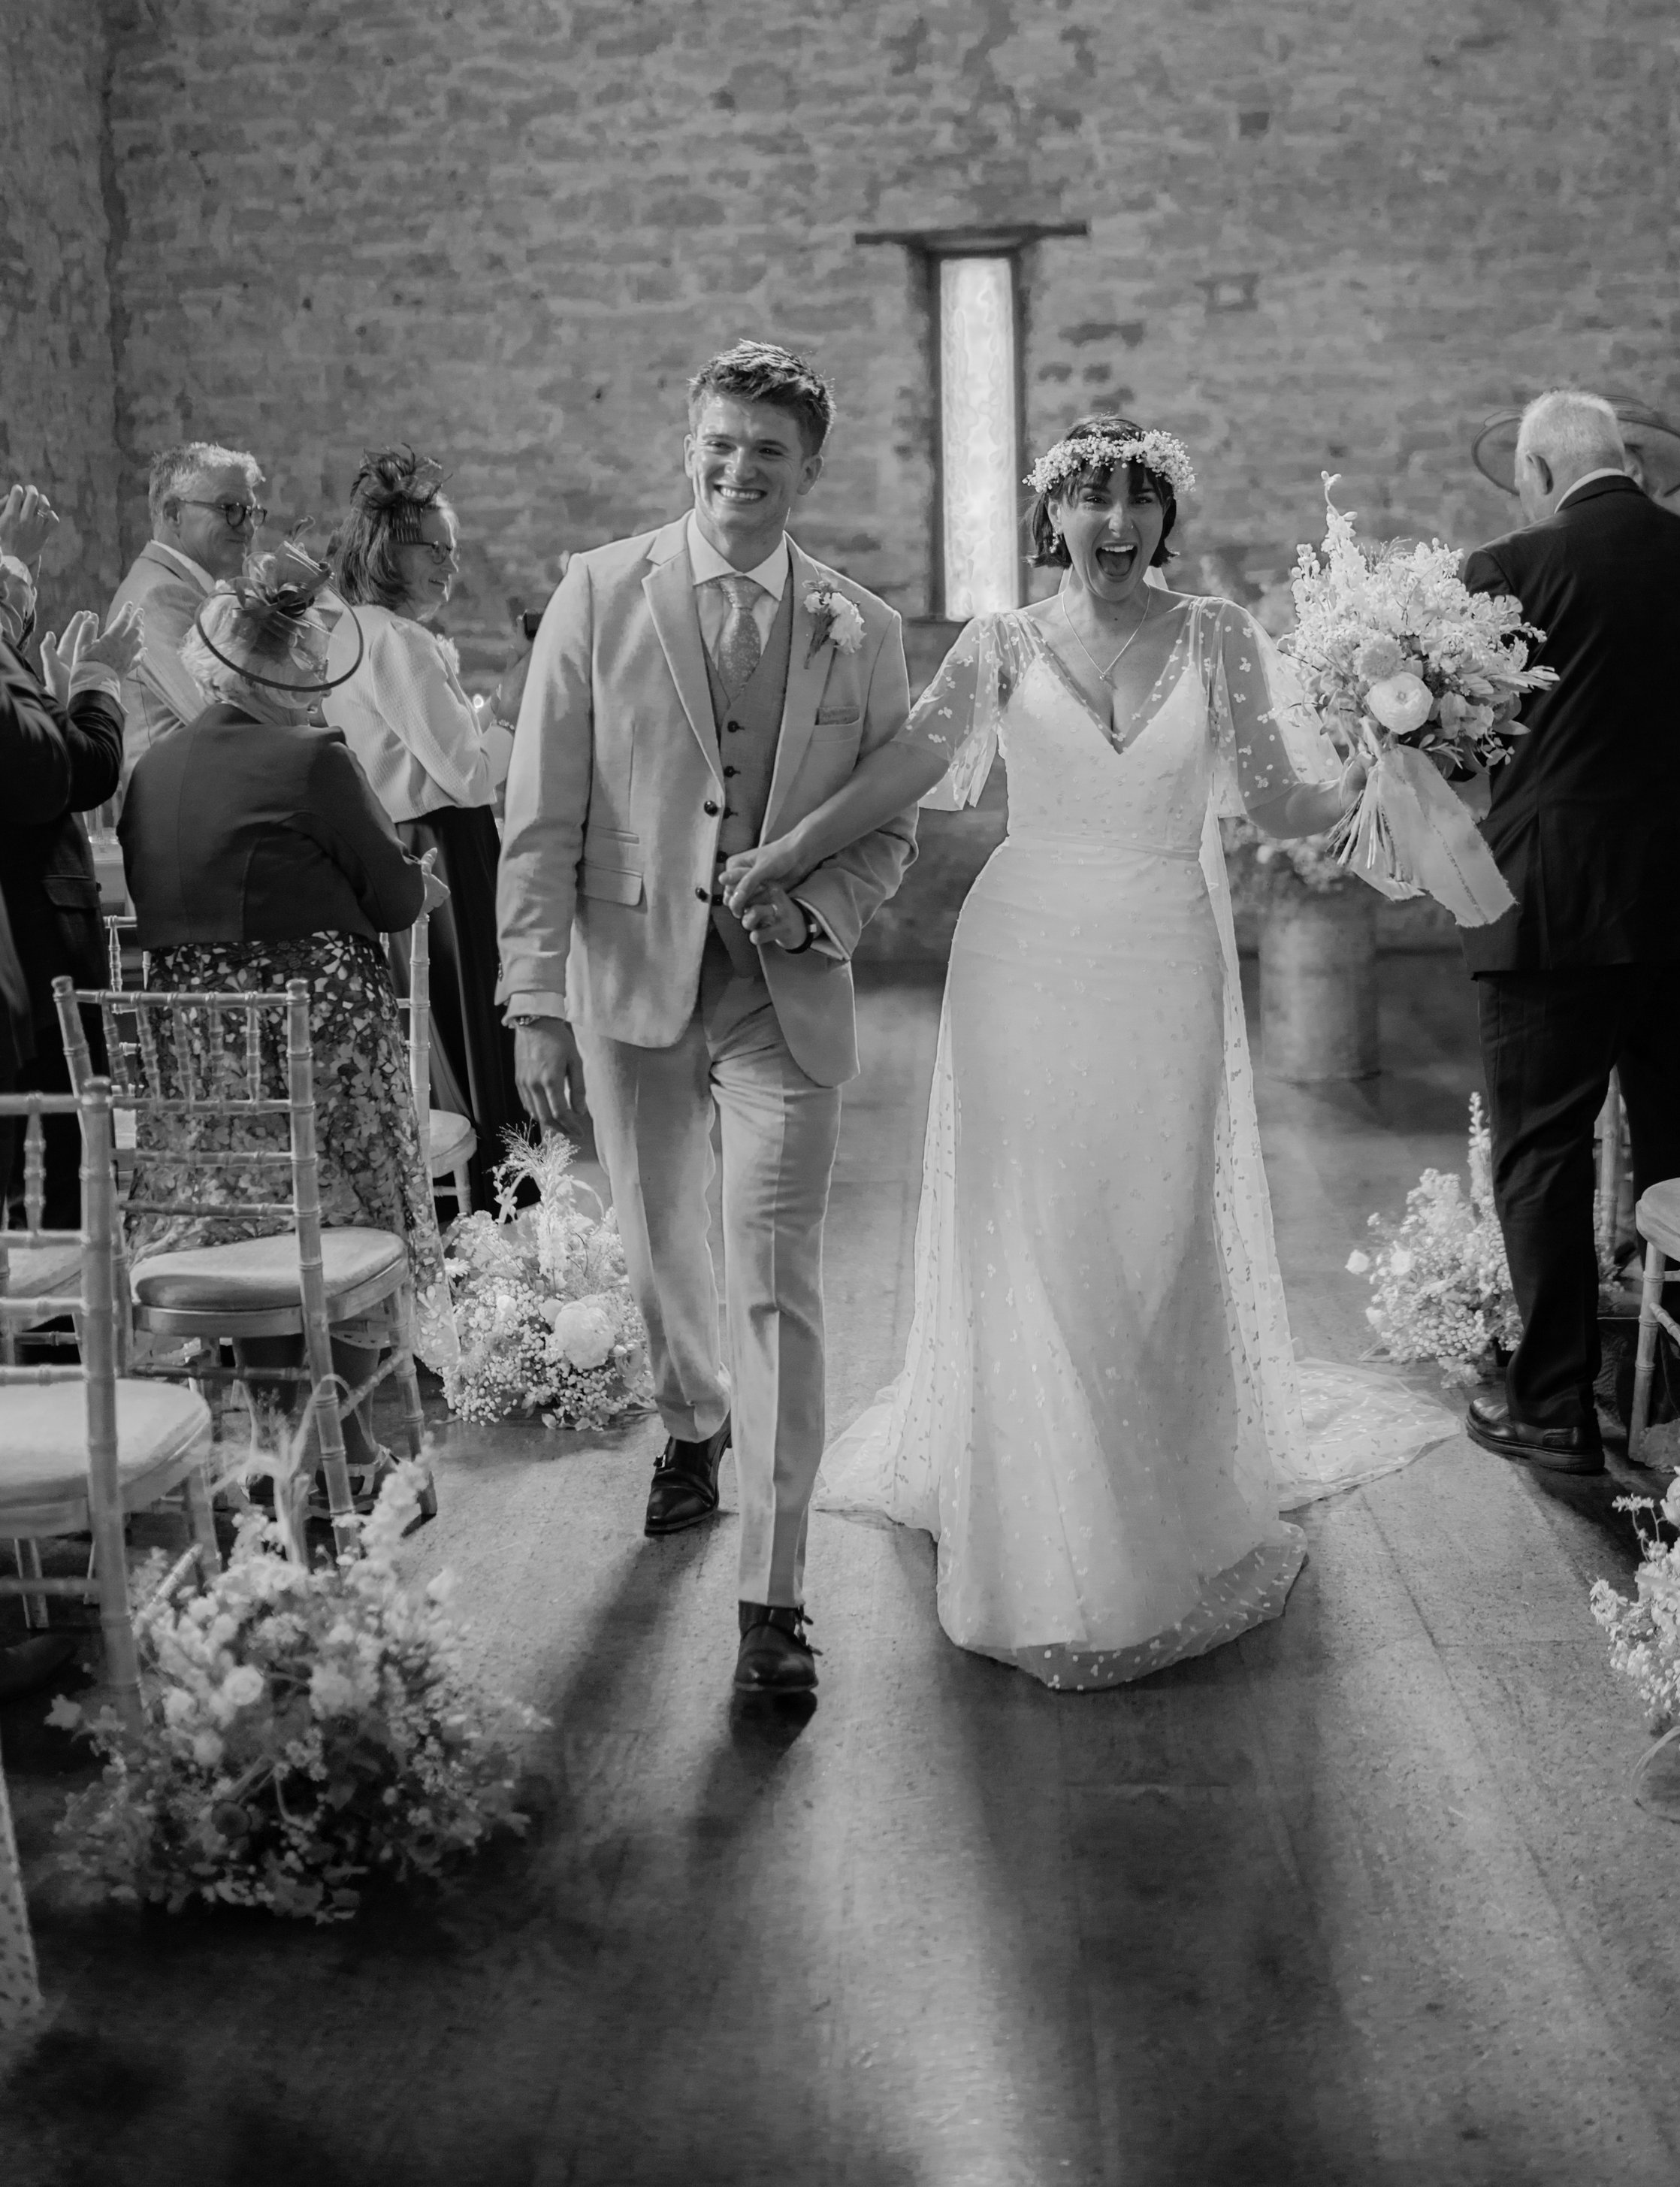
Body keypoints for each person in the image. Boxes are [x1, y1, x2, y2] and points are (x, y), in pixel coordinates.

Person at [721, 415, 1452, 1692]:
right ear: (1052, 515)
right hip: (1021, 959)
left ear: (1167, 517)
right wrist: (789, 850)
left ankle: (1153, 1488)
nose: (1115, 524)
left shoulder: (1219, 635)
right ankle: (1041, 1514)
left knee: (1156, 1224)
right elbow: (907, 766)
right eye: (1091, 500)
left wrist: (1389, 761)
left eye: (1138, 500)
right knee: (1038, 1227)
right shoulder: (999, 643)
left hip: (1165, 956)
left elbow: (1277, 798)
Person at [497, 341, 918, 1703]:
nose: (740, 469)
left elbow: (889, 821)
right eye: (721, 444)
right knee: (660, 1240)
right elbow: (540, 814)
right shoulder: (599, 589)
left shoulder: (862, 624)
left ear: (810, 470)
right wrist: (535, 999)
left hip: (781, 992)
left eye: (768, 451)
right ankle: (692, 1419)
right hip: (629, 979)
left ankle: (774, 1599)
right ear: (692, 448)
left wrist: (822, 909)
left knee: (775, 1276)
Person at [1456, 391, 1680, 1475]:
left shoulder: (1510, 566)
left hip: (1555, 900)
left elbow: (1470, 744)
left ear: (1540, 473)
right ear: (1623, 461)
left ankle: (1552, 1404)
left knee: (1543, 1146)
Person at [119, 560, 456, 1488]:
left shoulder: (152, 771)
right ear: (284, 674)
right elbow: (395, 900)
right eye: (307, 667)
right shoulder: (315, 761)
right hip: (320, 1044)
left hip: (196, 1068)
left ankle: (283, 1440)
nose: (315, 686)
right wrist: (412, 885)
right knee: (339, 1204)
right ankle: (338, 1446)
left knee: (251, 1225)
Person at [321, 446, 524, 1211]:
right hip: (446, 846)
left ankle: (456, 1198)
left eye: (452, 550)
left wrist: (482, 715)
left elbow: (419, 747)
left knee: (433, 1026)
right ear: (384, 550)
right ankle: (499, 1197)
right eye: (431, 549)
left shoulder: (354, 629)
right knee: (472, 1023)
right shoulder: (400, 641)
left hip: (406, 840)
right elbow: (468, 775)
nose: (449, 565)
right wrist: (513, 715)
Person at [0, 548, 143, 1226]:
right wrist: (97, 680)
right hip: (34, 938)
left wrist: (56, 699)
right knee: (64, 1182)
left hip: (31, 935)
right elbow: (79, 772)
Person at [105, 442, 267, 779]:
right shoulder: (161, 595)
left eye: (251, 512)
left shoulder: (179, 587)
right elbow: (222, 719)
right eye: (230, 509)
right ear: (173, 514)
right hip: (183, 800)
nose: (248, 527)